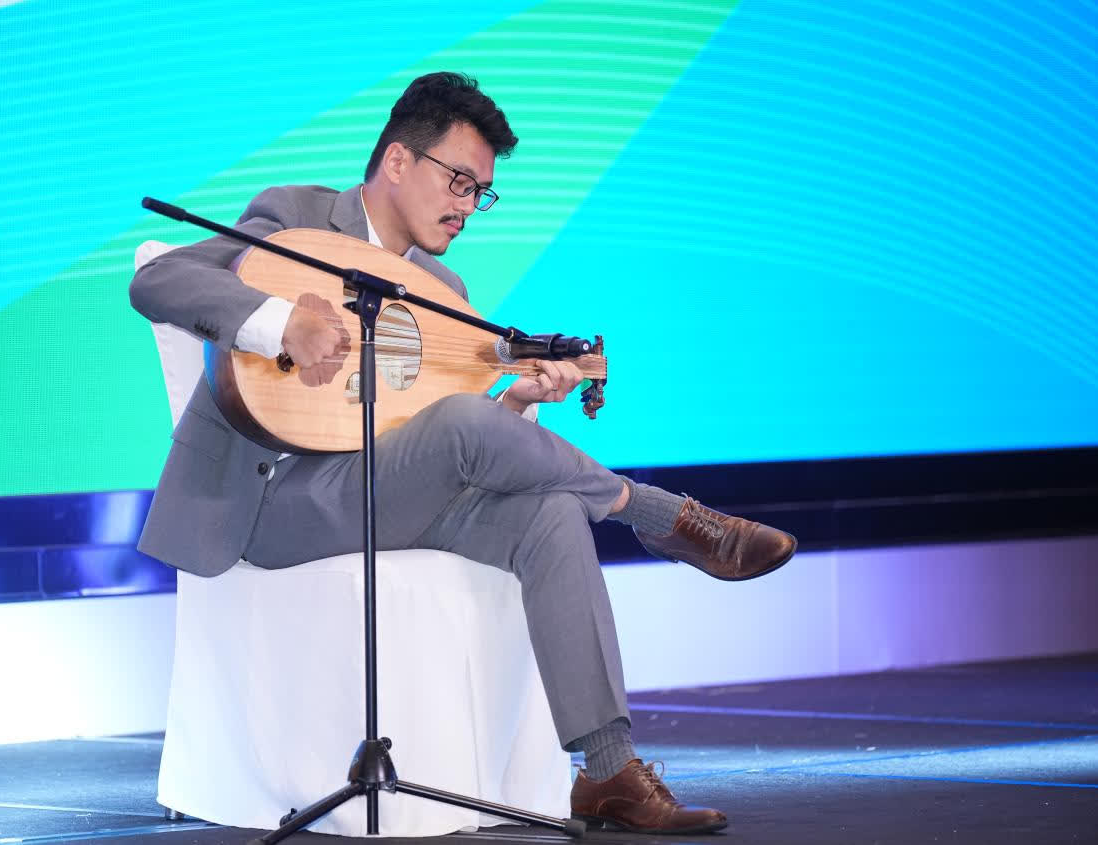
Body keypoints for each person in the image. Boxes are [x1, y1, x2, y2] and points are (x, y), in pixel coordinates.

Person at [129, 71, 795, 835]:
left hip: (380, 490)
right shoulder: (296, 216)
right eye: (459, 181)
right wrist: (281, 322)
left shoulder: (440, 286)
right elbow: (160, 279)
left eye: (481, 192)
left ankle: (607, 769)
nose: (468, 205)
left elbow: (438, 433)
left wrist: (515, 401)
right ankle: (657, 513)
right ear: (398, 160)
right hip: (273, 501)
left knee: (550, 513)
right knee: (462, 427)